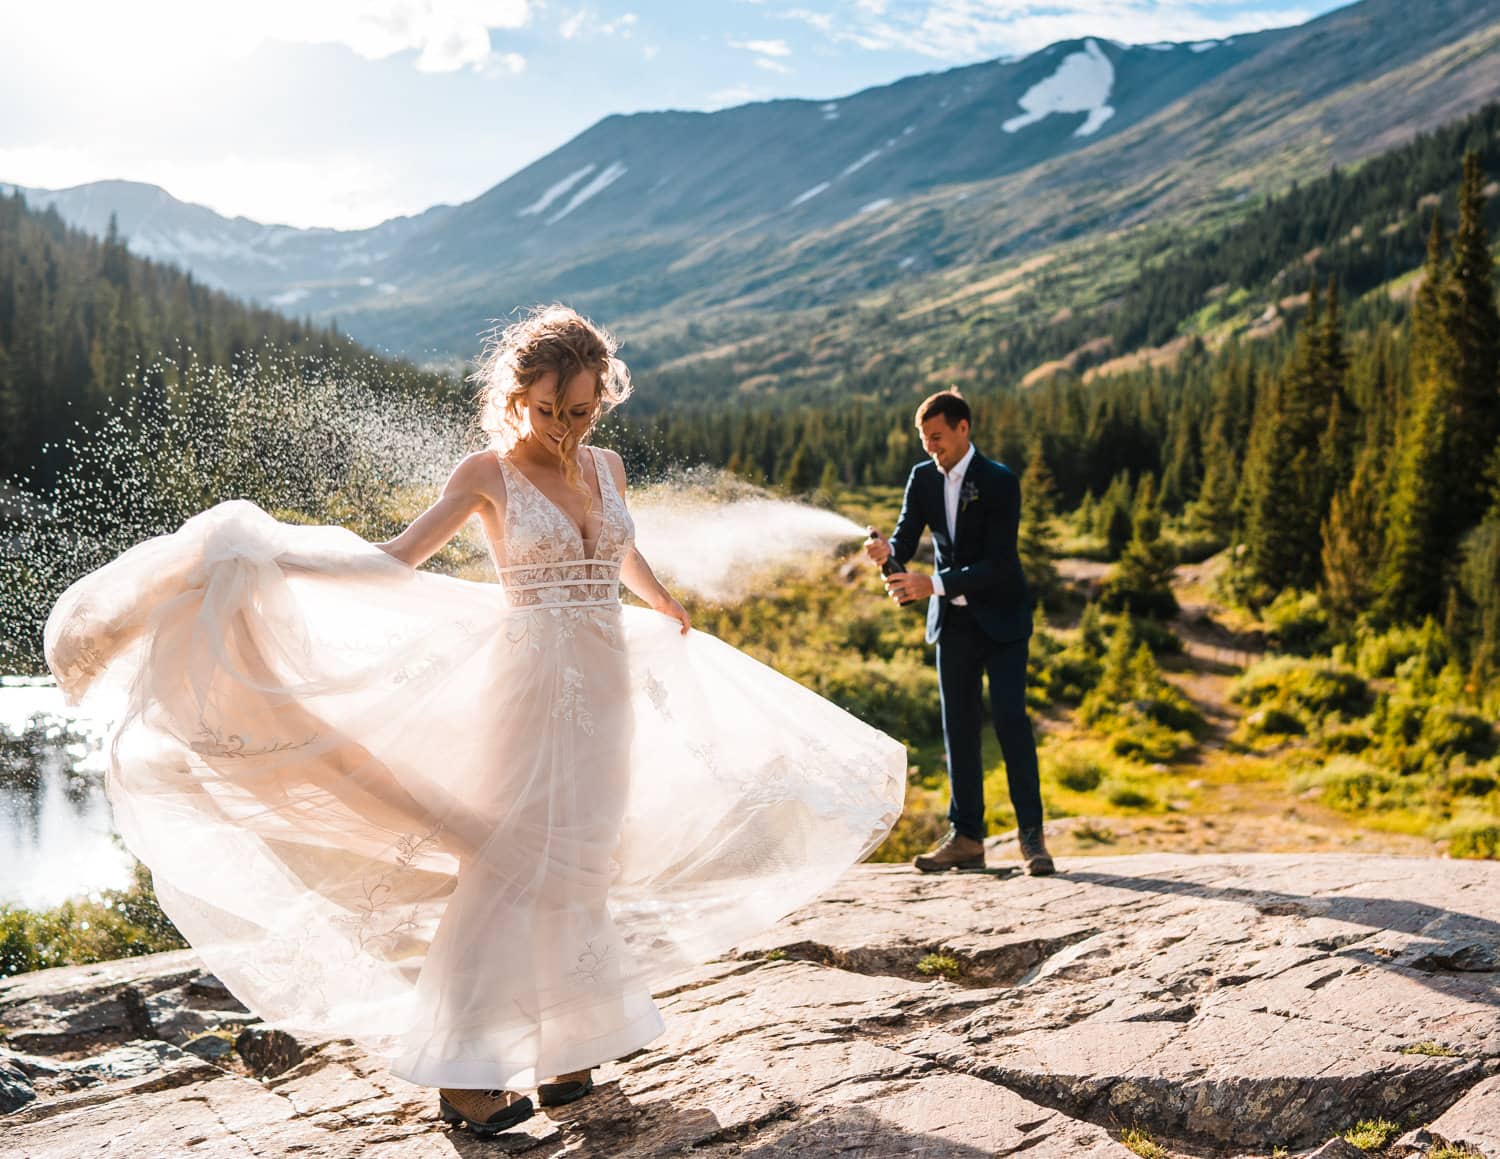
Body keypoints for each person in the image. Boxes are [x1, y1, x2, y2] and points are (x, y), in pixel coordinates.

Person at [44, 305, 906, 1137]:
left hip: (606, 689)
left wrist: (662, 600)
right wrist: (278, 559)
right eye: (548, 410)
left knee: (581, 863)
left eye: (581, 409)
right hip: (527, 690)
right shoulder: (485, 474)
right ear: (514, 395)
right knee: (510, 865)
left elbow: (619, 545)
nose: (565, 427)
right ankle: (465, 1074)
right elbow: (395, 564)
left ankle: (573, 1047)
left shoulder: (605, 466)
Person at [864, 388, 1053, 877]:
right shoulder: (922, 478)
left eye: (938, 437)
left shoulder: (1000, 481)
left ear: (963, 428)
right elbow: (907, 536)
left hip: (1004, 620)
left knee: (1011, 722)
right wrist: (888, 553)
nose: (931, 447)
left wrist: (934, 583)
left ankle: (1032, 839)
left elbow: (999, 562)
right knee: (959, 730)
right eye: (925, 439)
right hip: (954, 624)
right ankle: (967, 837)